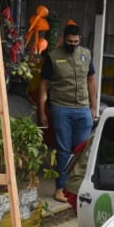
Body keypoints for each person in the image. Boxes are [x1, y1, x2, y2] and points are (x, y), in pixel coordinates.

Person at [38, 21, 98, 201]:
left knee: (82, 150)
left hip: (83, 109)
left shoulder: (86, 54)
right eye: (69, 41)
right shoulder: (53, 57)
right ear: (63, 39)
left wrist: (93, 107)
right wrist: (42, 111)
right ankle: (61, 188)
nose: (72, 44)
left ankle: (76, 188)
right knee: (64, 149)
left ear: (80, 39)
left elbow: (91, 81)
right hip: (61, 108)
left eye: (76, 42)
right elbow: (44, 85)